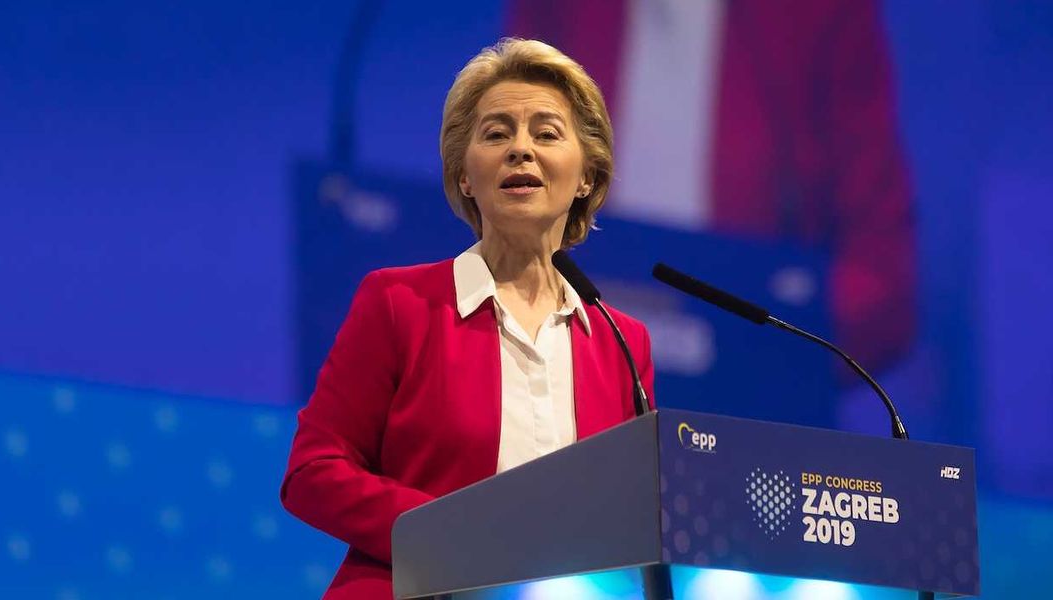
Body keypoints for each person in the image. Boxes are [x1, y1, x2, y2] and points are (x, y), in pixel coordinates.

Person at [281, 39, 655, 599]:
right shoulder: (398, 303)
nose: (520, 150)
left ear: (585, 176)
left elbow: (635, 514)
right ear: (464, 176)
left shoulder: (623, 341)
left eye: (546, 133)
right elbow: (313, 472)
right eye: (496, 133)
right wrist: (451, 531)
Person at [507, 0, 917, 374]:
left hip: (744, 397)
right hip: (565, 374)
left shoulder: (818, 16)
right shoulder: (559, 12)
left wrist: (757, 355)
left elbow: (882, 285)